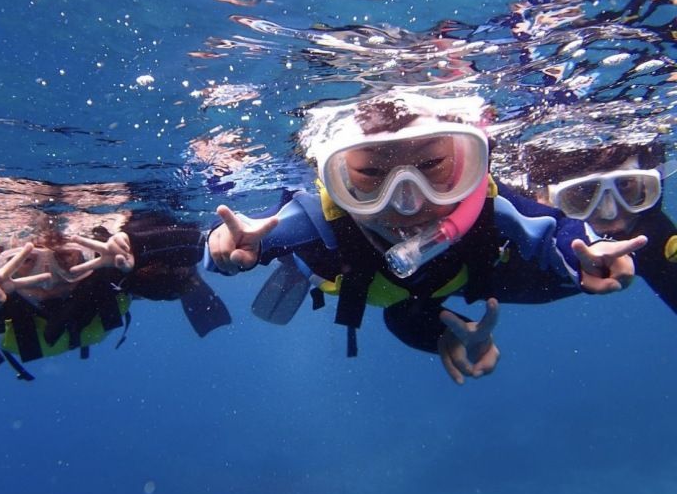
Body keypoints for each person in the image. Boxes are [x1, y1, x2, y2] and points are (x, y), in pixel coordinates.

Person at [203, 88, 645, 385]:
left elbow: (554, 230)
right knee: (355, 281)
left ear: (468, 160)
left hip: (422, 289)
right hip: (355, 278)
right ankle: (301, 271)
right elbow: (244, 237)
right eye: (372, 175)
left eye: (433, 169)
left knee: (411, 309)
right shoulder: (316, 216)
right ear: (336, 176)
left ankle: (437, 326)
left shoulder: (490, 205)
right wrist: (228, 245)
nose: (407, 204)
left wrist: (589, 253)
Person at [0, 178, 231, 380]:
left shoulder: (104, 266)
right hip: (5, 312)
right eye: (26, 261)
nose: (47, 280)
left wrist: (138, 250)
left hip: (103, 282)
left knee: (165, 279)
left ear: (87, 254)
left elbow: (191, 250)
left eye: (67, 258)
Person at [519, 138, 677, 313]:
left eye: (625, 185)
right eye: (583, 192)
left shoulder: (650, 237)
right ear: (543, 196)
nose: (610, 214)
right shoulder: (496, 218)